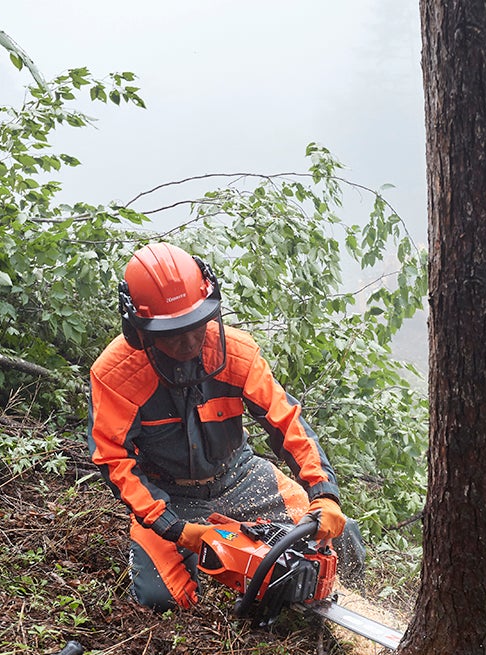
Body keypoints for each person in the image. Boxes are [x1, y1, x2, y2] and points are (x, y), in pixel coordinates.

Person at [87, 242, 363, 611]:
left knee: (336, 534)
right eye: (173, 333)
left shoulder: (237, 352)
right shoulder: (116, 375)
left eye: (196, 327)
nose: (189, 341)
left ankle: (353, 598)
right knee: (163, 599)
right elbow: (114, 460)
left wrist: (323, 491)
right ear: (141, 330)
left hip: (242, 477)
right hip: (172, 496)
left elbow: (287, 422)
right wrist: (172, 526)